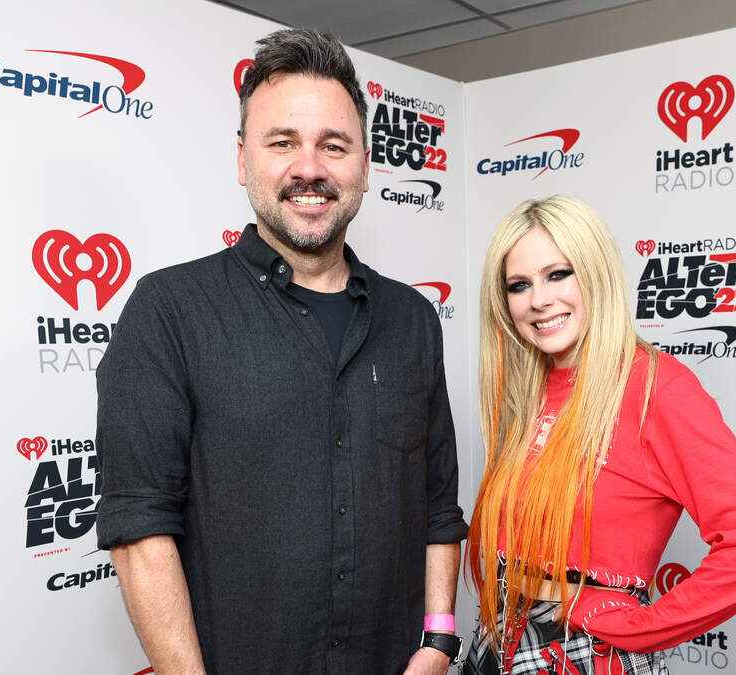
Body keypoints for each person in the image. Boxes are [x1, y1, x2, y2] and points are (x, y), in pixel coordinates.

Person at [95, 29, 468, 675]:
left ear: (365, 166)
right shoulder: (169, 310)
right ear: (243, 160)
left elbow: (438, 507)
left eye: (334, 145)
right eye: (283, 142)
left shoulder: (412, 319)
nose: (310, 168)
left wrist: (438, 639)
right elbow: (139, 529)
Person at [463, 196, 736, 674]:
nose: (538, 300)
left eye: (558, 274)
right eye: (520, 284)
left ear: (596, 274)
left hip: (584, 651)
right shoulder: (528, 387)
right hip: (497, 641)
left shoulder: (658, 388)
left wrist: (640, 628)